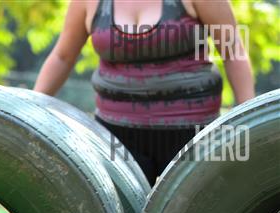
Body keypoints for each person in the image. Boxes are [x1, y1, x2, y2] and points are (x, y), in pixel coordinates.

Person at [34, 0, 255, 185]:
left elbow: (233, 51)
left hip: (192, 136)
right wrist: (29, 110)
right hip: (116, 138)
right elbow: (62, 57)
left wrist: (250, 123)